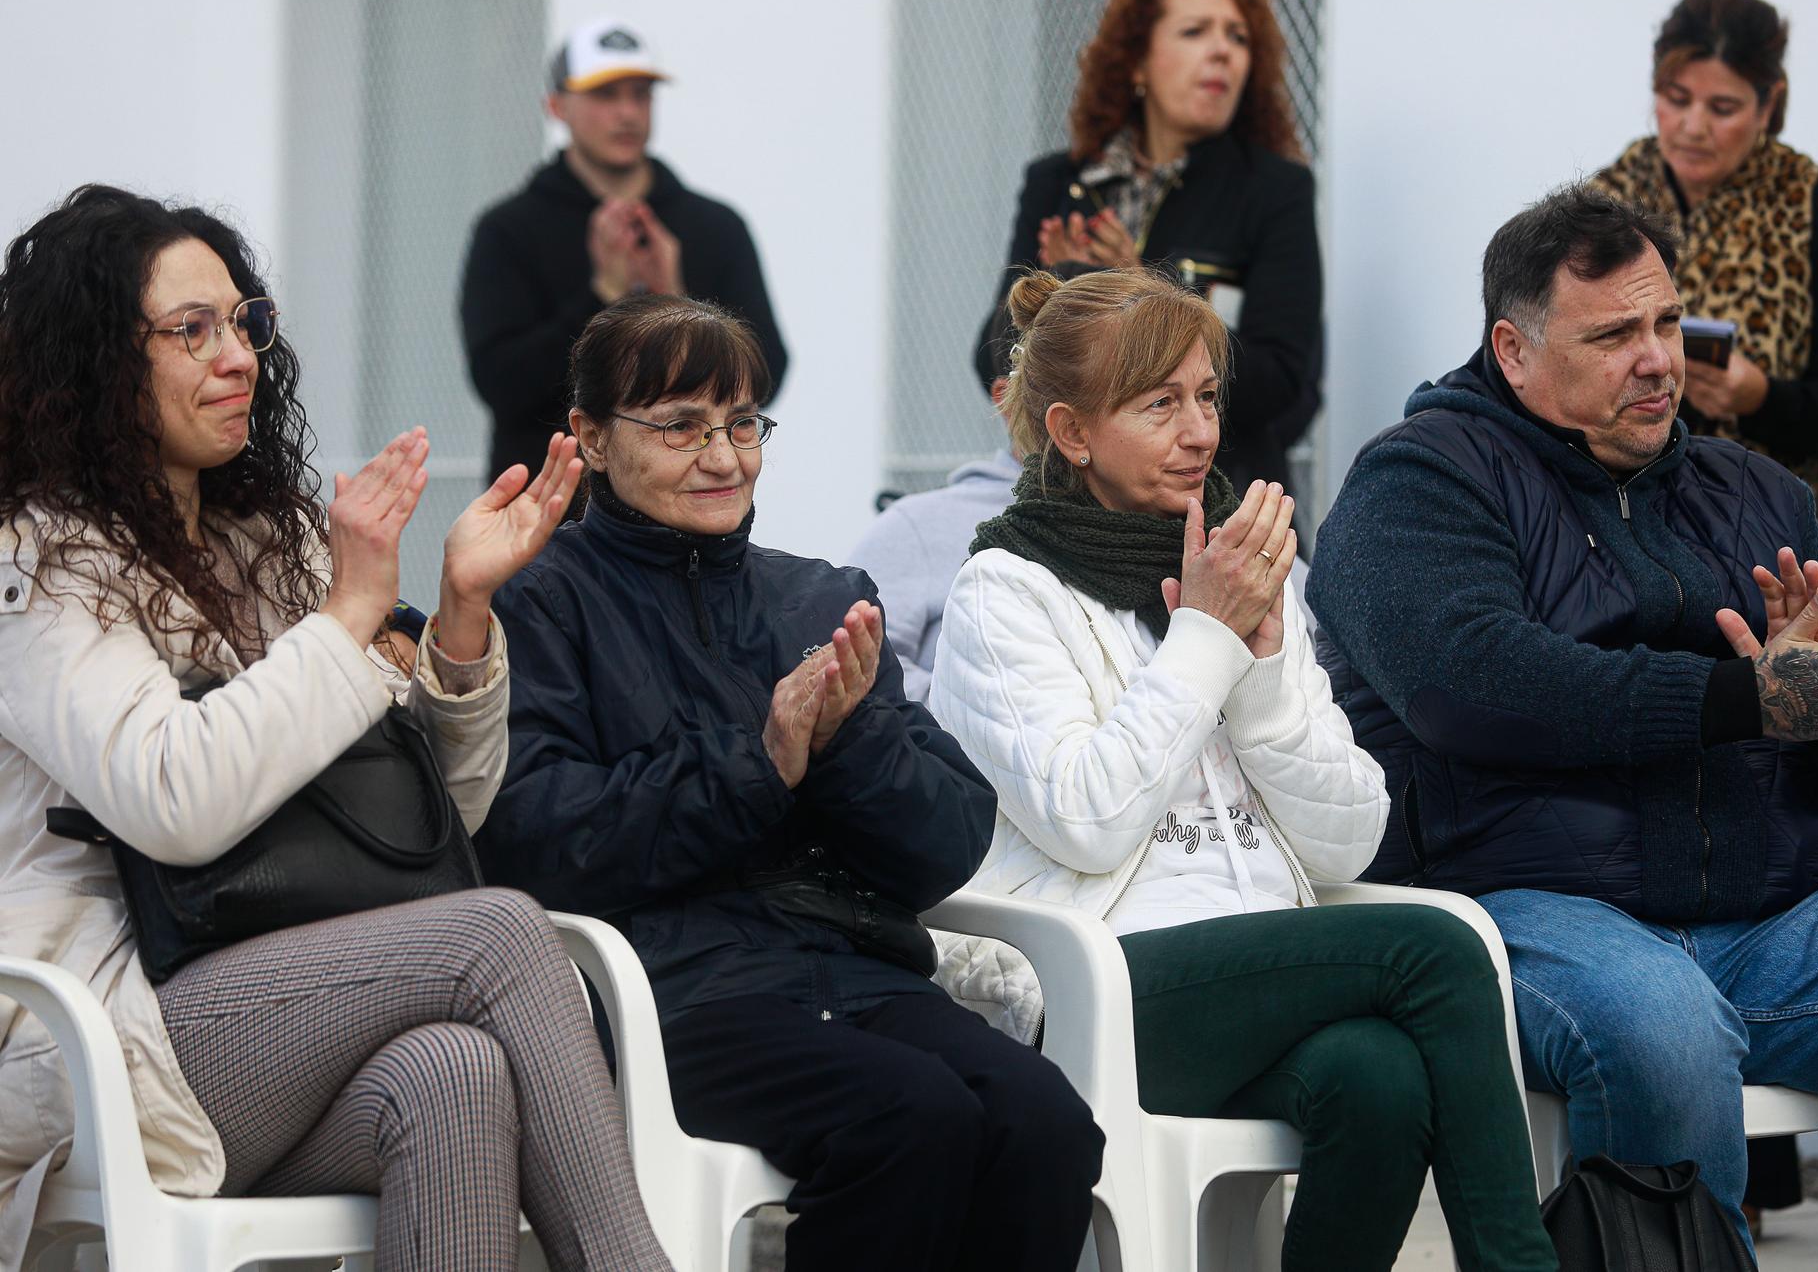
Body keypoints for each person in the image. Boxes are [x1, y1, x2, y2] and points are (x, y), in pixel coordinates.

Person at [1312, 183, 1818, 1267]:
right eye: (1614, 333)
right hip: (1522, 905)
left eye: (1667, 323)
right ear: (1515, 349)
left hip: (1770, 918)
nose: (1658, 359)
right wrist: (1747, 698)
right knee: (1659, 1027)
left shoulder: (1748, 488)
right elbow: (1475, 684)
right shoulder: (1417, 480)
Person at [0, 186, 673, 1271]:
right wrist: (351, 613)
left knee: (457, 1072)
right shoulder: (36, 564)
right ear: (91, 361)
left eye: (244, 321)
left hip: (285, 992)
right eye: (192, 331)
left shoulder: (270, 541)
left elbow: (426, 820)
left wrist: (458, 615)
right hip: (109, 1026)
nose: (239, 357)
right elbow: (174, 802)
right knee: (498, 932)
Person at [929, 268, 1558, 1272]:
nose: (1200, 431)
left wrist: (1259, 678)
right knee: (1435, 945)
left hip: (1259, 970)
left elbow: (1351, 837)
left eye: (1207, 396)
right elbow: (1085, 819)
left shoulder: (1241, 568)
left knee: (1378, 1077)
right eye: (1158, 403)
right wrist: (1205, 641)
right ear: (1070, 429)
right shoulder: (1001, 593)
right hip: (1093, 985)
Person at [475, 296, 1101, 1272]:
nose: (722, 457)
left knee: (1046, 1121)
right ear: (591, 439)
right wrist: (756, 759)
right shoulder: (543, 598)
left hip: (850, 967)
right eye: (681, 426)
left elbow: (946, 841)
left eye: (741, 423)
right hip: (668, 988)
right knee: (911, 1117)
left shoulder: (819, 594)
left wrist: (847, 745)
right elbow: (542, 841)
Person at [972, 0, 1321, 497]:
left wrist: (1142, 294)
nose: (1223, 50)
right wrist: (1065, 290)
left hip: (1218, 503)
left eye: (1238, 37)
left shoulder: (1274, 189)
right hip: (1071, 503)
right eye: (1195, 31)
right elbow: (991, 362)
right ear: (1136, 62)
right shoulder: (1057, 182)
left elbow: (1283, 385)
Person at [1592, 0, 1818, 553]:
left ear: (1769, 105)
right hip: (1616, 531)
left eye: (1722, 108)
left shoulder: (1817, 210)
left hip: (1772, 542)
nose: (1693, 126)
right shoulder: (1605, 203)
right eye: (1675, 98)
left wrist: (1760, 397)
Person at [460, 18, 787, 485]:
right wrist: (603, 295)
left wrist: (676, 304)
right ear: (556, 106)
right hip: (545, 516)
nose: (628, 113)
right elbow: (502, 386)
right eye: (605, 95)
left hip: (692, 513)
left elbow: (767, 374)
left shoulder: (714, 226)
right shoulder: (509, 229)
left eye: (641, 94)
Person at [846, 375, 1023, 704]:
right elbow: (855, 668)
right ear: (1007, 398)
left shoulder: (1136, 520)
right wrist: (976, 715)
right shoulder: (913, 524)